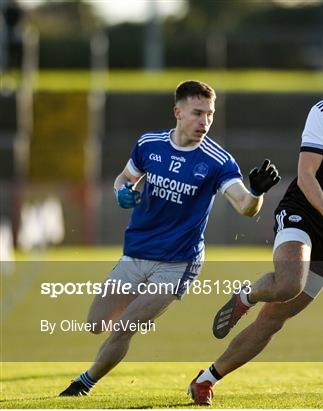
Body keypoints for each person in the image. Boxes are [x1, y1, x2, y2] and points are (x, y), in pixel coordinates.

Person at [188, 34, 323, 406]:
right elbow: (306, 175)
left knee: (273, 321)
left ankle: (207, 379)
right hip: (304, 213)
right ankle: (246, 295)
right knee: (290, 282)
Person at [58, 80, 280, 396]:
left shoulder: (218, 161)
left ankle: (84, 383)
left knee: (125, 328)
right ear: (177, 112)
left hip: (178, 264)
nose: (204, 122)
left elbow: (245, 206)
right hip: (135, 255)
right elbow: (125, 179)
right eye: (197, 113)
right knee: (96, 324)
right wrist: (122, 192)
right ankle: (121, 331)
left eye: (210, 115)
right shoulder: (149, 144)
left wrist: (256, 191)